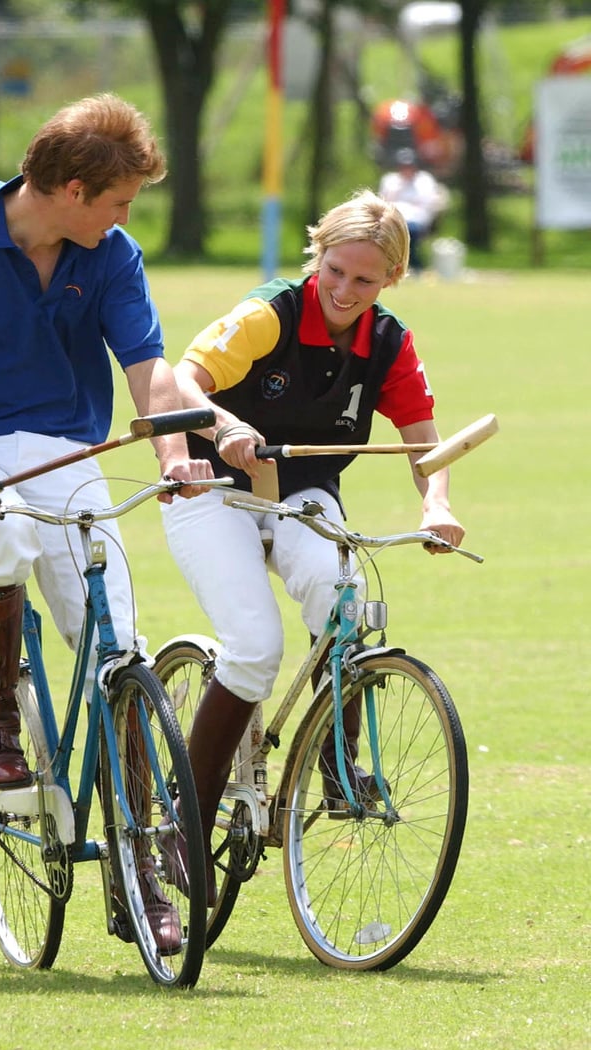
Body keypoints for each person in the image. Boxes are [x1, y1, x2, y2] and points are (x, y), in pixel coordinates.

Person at [0, 93, 212, 954]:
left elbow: (149, 365)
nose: (124, 218)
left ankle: (137, 870)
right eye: (118, 202)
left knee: (118, 648)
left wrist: (175, 457)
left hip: (67, 452)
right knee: (0, 538)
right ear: (71, 189)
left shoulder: (111, 254)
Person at [160, 188, 465, 904]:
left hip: (303, 491)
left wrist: (438, 502)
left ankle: (338, 764)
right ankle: (184, 828)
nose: (343, 291)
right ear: (316, 256)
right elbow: (180, 379)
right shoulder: (270, 313)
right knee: (255, 648)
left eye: (364, 280)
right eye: (334, 271)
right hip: (217, 490)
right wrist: (224, 425)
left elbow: (425, 436)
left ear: (390, 278)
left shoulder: (388, 339)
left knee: (343, 602)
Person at [378, 148, 448, 271]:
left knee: (411, 232)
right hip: (394, 218)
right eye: (404, 166)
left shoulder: (425, 180)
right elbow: (383, 200)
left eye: (409, 166)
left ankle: (413, 263)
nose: (407, 170)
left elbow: (428, 202)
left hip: (417, 219)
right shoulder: (390, 181)